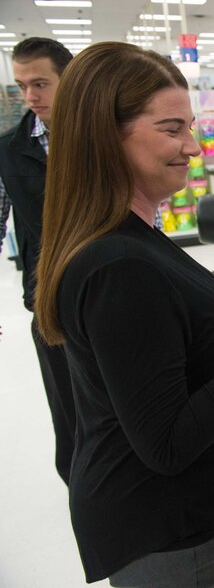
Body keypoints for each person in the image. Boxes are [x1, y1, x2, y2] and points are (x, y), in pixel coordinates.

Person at [34, 42, 214, 586]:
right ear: (105, 135)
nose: (192, 146)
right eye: (172, 129)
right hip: (165, 528)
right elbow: (167, 443)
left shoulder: (127, 239)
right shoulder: (119, 266)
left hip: (168, 517)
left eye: (190, 127)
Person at [0, 37, 76, 485]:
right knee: (66, 397)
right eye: (22, 85)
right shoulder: (8, 150)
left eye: (41, 83)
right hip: (47, 297)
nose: (30, 95)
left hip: (110, 285)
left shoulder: (102, 134)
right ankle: (76, 474)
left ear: (67, 80)